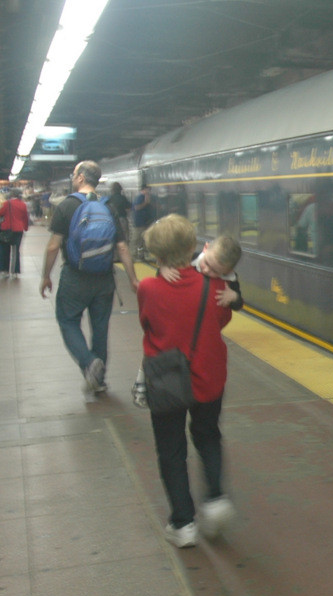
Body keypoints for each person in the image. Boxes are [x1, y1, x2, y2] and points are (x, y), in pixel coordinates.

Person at [137, 215, 235, 548]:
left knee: (171, 450)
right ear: (194, 247)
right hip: (209, 377)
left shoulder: (150, 286)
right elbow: (221, 319)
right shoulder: (217, 286)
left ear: (157, 256)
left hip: (167, 382)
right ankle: (217, 501)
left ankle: (183, 524)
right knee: (208, 437)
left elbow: (147, 322)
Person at [40, 160, 140, 394]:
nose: (73, 177)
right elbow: (123, 248)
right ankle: (100, 380)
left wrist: (46, 276)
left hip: (75, 276)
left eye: (74, 173)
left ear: (82, 178)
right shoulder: (109, 208)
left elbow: (53, 246)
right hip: (104, 279)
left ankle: (88, 362)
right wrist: (133, 279)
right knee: (100, 329)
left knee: (68, 321)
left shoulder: (67, 206)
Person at [132, 235, 244, 408]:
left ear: (227, 271)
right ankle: (142, 380)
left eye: (216, 272)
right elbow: (163, 276)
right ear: (205, 248)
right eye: (207, 264)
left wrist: (234, 296)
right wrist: (163, 268)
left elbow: (238, 303)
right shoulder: (189, 259)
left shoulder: (231, 278)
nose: (207, 271)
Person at [0, 188, 30, 278]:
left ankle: (4, 271)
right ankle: (15, 271)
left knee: (4, 250)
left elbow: (0, 213)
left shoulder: (6, 203)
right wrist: (25, 227)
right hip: (18, 230)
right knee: (16, 250)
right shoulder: (23, 204)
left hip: (6, 229)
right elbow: (25, 217)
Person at [131, 183, 156, 258]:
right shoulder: (139, 198)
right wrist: (145, 203)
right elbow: (136, 208)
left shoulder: (149, 198)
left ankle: (143, 255)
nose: (149, 191)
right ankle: (133, 255)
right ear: (144, 190)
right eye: (148, 189)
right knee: (137, 239)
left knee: (145, 240)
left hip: (146, 222)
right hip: (139, 223)